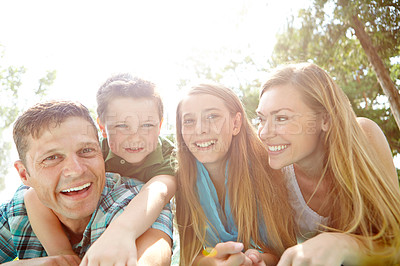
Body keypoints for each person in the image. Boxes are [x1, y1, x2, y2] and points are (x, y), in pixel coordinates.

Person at [256, 62, 400, 265]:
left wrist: (344, 244)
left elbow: (396, 245)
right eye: (261, 119)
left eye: (281, 118)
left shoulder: (364, 138)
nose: (264, 133)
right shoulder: (273, 169)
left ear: (325, 119)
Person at [23, 74, 177, 265]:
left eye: (147, 125)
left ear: (160, 125)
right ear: (103, 128)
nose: (136, 137)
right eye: (122, 126)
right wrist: (61, 254)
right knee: (32, 195)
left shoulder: (170, 155)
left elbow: (158, 191)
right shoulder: (91, 153)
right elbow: (32, 196)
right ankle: (64, 256)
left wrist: (120, 233)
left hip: (140, 217)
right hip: (85, 218)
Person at [174, 83, 297, 265]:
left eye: (212, 116)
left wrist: (259, 260)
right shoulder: (182, 180)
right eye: (189, 121)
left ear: (236, 123)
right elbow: (193, 253)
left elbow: (283, 248)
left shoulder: (269, 169)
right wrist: (212, 262)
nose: (200, 129)